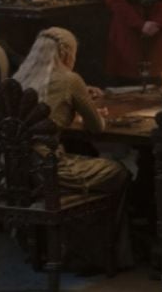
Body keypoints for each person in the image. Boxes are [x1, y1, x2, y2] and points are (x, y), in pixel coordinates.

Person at [12, 28, 129, 197]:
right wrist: (97, 114)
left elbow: (47, 113)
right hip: (48, 170)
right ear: (66, 53)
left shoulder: (19, 79)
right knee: (118, 170)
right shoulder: (70, 79)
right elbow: (96, 127)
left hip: (13, 171)